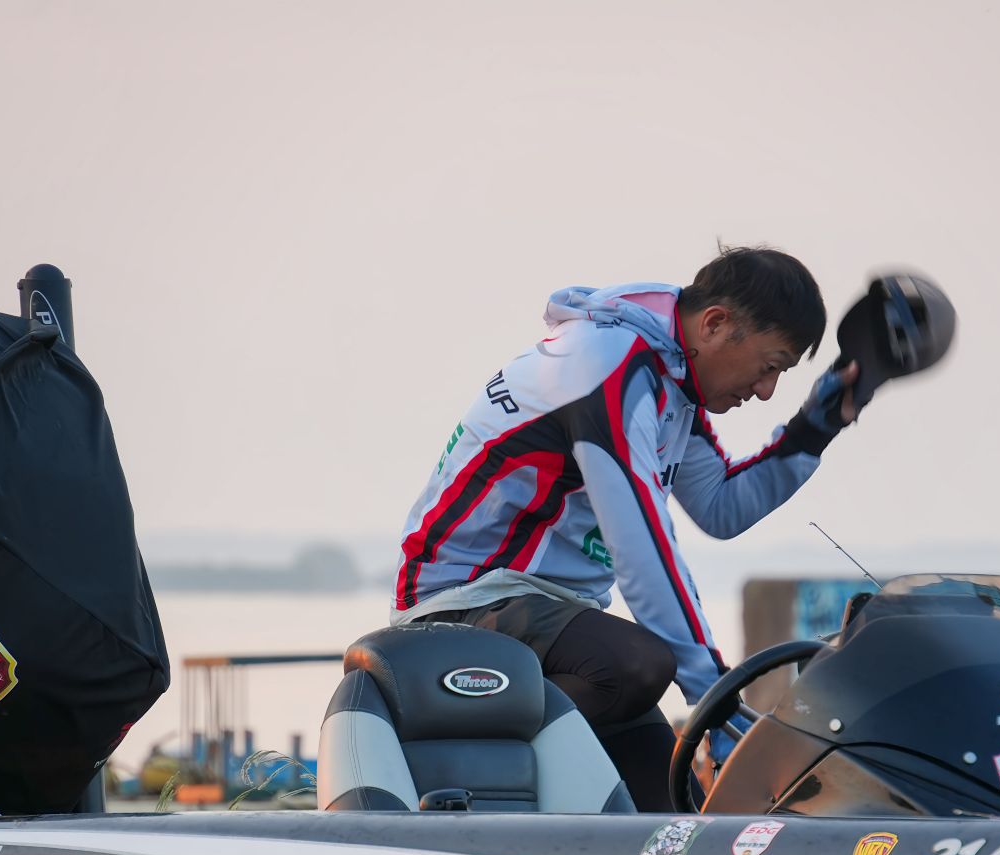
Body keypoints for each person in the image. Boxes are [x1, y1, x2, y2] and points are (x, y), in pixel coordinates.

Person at [391, 247, 939, 810]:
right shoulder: (608, 364)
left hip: (546, 619)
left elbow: (721, 507)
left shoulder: (668, 377)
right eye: (770, 365)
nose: (767, 390)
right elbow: (641, 550)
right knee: (639, 665)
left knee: (676, 817)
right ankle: (461, 759)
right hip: (460, 603)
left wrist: (814, 428)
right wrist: (713, 695)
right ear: (715, 323)